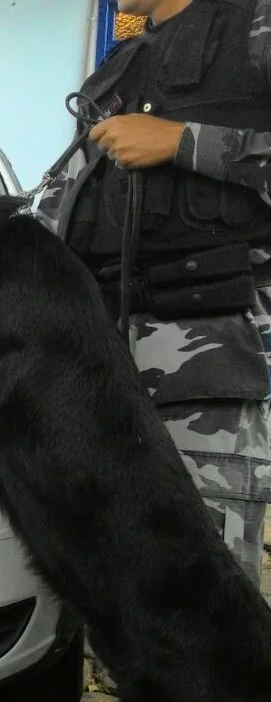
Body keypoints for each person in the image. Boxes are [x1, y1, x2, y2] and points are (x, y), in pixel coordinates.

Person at [35, 0, 270, 589]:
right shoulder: (118, 68)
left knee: (204, 592)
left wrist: (183, 142)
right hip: (102, 370)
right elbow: (58, 207)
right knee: (125, 588)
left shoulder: (255, 28)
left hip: (216, 371)